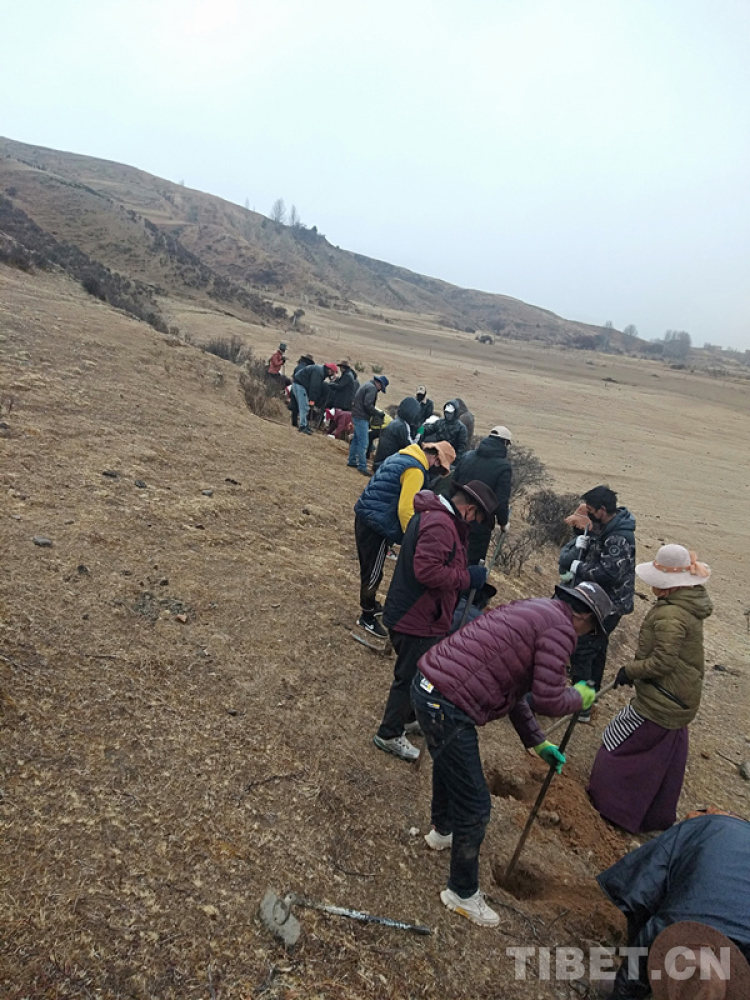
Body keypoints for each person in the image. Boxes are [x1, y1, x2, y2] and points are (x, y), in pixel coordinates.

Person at [410, 580, 612, 927]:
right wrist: (579, 697)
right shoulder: (562, 629)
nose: (585, 636)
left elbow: (514, 688)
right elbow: (548, 699)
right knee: (476, 805)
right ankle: (461, 893)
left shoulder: (534, 609)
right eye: (591, 630)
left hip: (428, 687)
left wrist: (538, 742)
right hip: (447, 704)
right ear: (584, 617)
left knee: (448, 764)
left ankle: (441, 831)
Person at [587, 544, 712, 835]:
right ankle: (649, 816)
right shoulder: (684, 605)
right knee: (657, 760)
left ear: (670, 585)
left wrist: (630, 671)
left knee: (617, 741)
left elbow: (663, 662)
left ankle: (611, 806)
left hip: (663, 699)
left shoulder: (671, 616)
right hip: (678, 697)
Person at [372, 482, 499, 762]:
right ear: (469, 509)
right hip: (416, 616)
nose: (474, 524)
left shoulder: (441, 520)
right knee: (409, 677)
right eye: (477, 518)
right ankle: (389, 733)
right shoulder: (441, 524)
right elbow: (427, 572)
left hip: (423, 613)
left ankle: (407, 720)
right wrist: (468, 578)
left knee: (420, 674)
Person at [595, 811, 750, 998]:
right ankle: (650, 980)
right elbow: (643, 897)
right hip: (710, 834)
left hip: (727, 840)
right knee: (646, 895)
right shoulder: (663, 929)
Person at [353, 441, 455, 640]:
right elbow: (406, 509)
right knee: (373, 572)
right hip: (376, 524)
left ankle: (371, 606)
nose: (437, 471)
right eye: (440, 467)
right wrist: (413, 537)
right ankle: (367, 615)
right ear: (436, 460)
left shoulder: (402, 456)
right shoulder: (415, 470)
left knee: (370, 568)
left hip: (366, 515)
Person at [560, 485, 636, 720]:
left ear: (602, 509)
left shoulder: (619, 538)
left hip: (608, 605)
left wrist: (578, 567)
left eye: (592, 510)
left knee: (584, 650)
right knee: (596, 649)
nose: (590, 514)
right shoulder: (607, 528)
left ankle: (581, 705)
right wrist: (583, 541)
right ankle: (588, 698)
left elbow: (609, 573)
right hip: (599, 600)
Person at [450, 425, 513, 564]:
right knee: (470, 564)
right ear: (504, 443)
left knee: (450, 556)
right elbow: (501, 501)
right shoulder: (503, 467)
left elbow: (453, 484)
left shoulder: (467, 456)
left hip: (456, 515)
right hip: (480, 524)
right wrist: (503, 523)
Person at [349, 375, 389, 474]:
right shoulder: (372, 388)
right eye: (381, 388)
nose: (379, 390)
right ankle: (362, 466)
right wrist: (377, 413)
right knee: (363, 442)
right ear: (379, 384)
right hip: (361, 417)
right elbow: (368, 404)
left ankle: (352, 460)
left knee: (356, 440)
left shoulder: (366, 384)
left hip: (356, 414)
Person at [372, 397, 421, 472]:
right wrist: (420, 433)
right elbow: (411, 447)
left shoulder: (396, 422)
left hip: (380, 462)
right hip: (386, 466)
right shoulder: (402, 426)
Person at [291, 362, 338, 435]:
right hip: (300, 385)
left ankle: (305, 425)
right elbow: (314, 387)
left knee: (305, 407)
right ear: (329, 370)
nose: (332, 375)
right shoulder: (319, 372)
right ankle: (303, 426)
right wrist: (312, 399)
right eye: (333, 373)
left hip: (299, 385)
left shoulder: (320, 371)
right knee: (304, 407)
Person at [289, 354, 315, 427]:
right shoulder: (306, 369)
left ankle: (294, 422)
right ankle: (302, 424)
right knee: (301, 407)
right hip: (300, 389)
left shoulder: (298, 367)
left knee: (294, 406)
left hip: (293, 387)